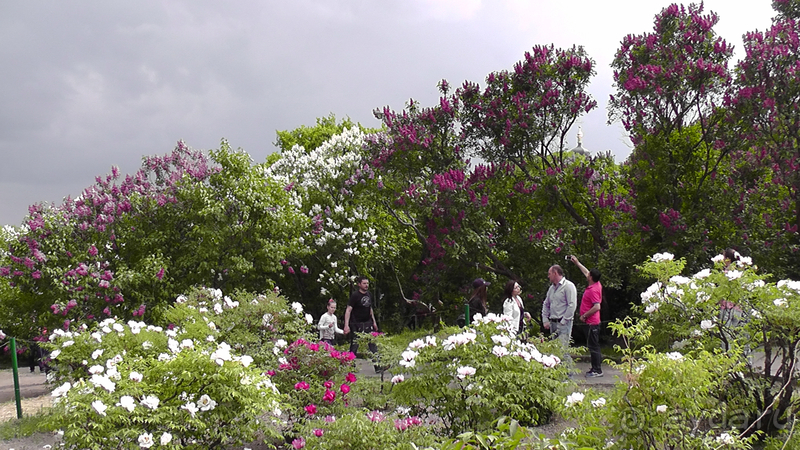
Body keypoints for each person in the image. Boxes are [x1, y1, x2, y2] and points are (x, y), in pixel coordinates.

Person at [570, 256, 604, 378]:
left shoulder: (593, 290)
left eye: (589, 274)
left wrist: (584, 315)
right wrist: (577, 263)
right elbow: (585, 271)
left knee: (593, 346)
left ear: (591, 278)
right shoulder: (595, 283)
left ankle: (597, 370)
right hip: (590, 322)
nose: (587, 274)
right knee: (592, 345)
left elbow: (597, 307)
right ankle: (595, 367)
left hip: (591, 323)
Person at [542, 264, 577, 363]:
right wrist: (545, 319)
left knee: (562, 350)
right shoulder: (551, 288)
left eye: (549, 274)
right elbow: (546, 304)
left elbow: (572, 305)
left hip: (563, 323)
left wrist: (563, 321)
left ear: (555, 273)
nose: (548, 276)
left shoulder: (568, 286)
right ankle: (558, 375)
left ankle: (568, 375)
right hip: (553, 322)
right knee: (555, 351)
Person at [343, 276, 379, 356]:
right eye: (364, 283)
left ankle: (378, 365)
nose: (366, 285)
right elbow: (348, 310)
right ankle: (350, 365)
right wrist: (346, 325)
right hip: (356, 323)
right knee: (355, 345)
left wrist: (374, 322)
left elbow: (370, 309)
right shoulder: (355, 296)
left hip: (367, 322)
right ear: (359, 284)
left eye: (367, 283)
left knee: (372, 344)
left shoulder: (369, 294)